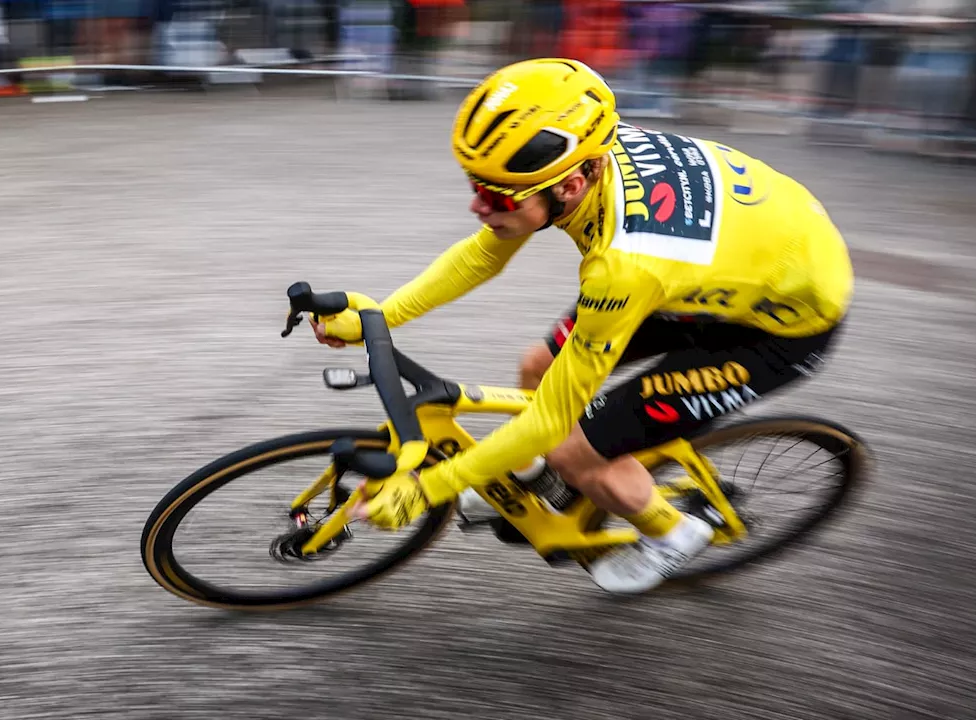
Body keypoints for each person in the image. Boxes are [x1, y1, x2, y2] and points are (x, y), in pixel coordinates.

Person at [310, 58, 854, 595]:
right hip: (714, 280)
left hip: (777, 331)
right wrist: (377, 315)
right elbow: (483, 256)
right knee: (538, 367)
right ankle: (523, 474)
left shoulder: (624, 264)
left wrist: (430, 487)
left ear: (571, 185)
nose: (478, 206)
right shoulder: (586, 150)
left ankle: (673, 533)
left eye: (496, 195)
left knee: (573, 451)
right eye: (475, 184)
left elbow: (549, 421)